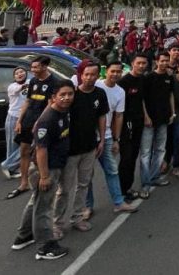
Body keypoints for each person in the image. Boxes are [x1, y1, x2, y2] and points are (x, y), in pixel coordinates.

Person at [11, 80, 75, 260]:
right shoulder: (48, 120)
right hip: (46, 169)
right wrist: (44, 176)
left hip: (55, 165)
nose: (66, 98)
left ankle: (23, 236)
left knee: (36, 202)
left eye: (70, 94)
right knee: (44, 208)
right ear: (53, 97)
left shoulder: (62, 112)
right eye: (62, 95)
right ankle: (45, 246)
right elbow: (40, 149)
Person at [54, 63, 108, 238]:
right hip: (70, 151)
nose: (90, 77)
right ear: (80, 75)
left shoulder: (100, 94)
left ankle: (77, 217)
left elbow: (101, 116)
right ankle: (56, 223)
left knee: (84, 184)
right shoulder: (72, 95)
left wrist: (101, 139)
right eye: (87, 74)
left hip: (90, 147)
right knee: (64, 189)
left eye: (94, 74)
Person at [8, 56, 56, 200]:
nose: (32, 70)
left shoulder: (54, 82)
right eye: (32, 67)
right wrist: (19, 121)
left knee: (40, 153)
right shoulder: (33, 81)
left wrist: (39, 122)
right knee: (24, 151)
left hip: (43, 123)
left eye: (36, 67)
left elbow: (50, 104)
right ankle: (24, 183)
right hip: (28, 121)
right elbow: (27, 101)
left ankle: (44, 178)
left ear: (44, 67)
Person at [94, 62, 138, 214]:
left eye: (118, 72)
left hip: (106, 137)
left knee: (112, 171)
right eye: (112, 71)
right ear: (106, 71)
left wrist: (116, 139)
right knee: (85, 177)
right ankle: (86, 207)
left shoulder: (120, 92)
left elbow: (118, 116)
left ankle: (119, 202)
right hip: (88, 138)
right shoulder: (97, 86)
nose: (115, 74)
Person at [140, 52, 175, 198]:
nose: (164, 63)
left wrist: (173, 113)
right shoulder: (148, 77)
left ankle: (154, 177)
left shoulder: (169, 77)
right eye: (162, 61)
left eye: (167, 61)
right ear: (156, 61)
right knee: (146, 153)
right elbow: (141, 98)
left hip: (164, 119)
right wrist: (146, 116)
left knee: (160, 150)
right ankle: (145, 183)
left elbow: (171, 95)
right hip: (150, 120)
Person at [117, 53, 148, 202]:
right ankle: (122, 190)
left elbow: (142, 100)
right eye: (139, 63)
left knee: (134, 156)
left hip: (139, 123)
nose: (141, 66)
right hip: (125, 125)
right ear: (132, 64)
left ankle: (127, 188)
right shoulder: (124, 82)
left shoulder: (142, 79)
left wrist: (146, 117)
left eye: (144, 63)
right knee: (126, 158)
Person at [0, 67, 28, 179]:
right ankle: (10, 168)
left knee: (26, 143)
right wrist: (26, 85)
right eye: (17, 73)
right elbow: (19, 89)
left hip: (25, 118)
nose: (20, 74)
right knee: (12, 145)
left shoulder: (30, 82)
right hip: (13, 118)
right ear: (14, 77)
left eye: (22, 72)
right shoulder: (12, 87)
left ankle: (9, 166)